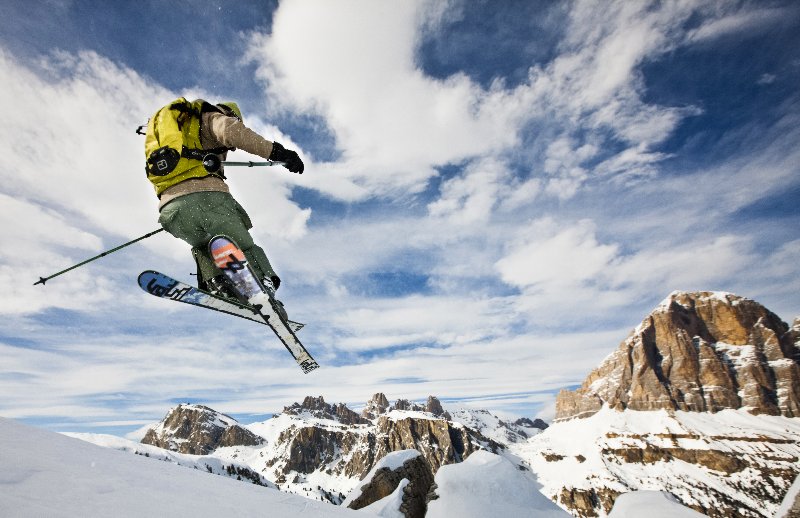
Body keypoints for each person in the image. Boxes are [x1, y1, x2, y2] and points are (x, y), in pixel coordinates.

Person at [149, 99, 304, 301]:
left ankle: (217, 282)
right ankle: (263, 289)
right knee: (243, 246)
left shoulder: (175, 135)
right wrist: (277, 152)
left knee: (205, 246)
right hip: (208, 200)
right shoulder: (211, 117)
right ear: (231, 115)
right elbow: (232, 132)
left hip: (172, 212)